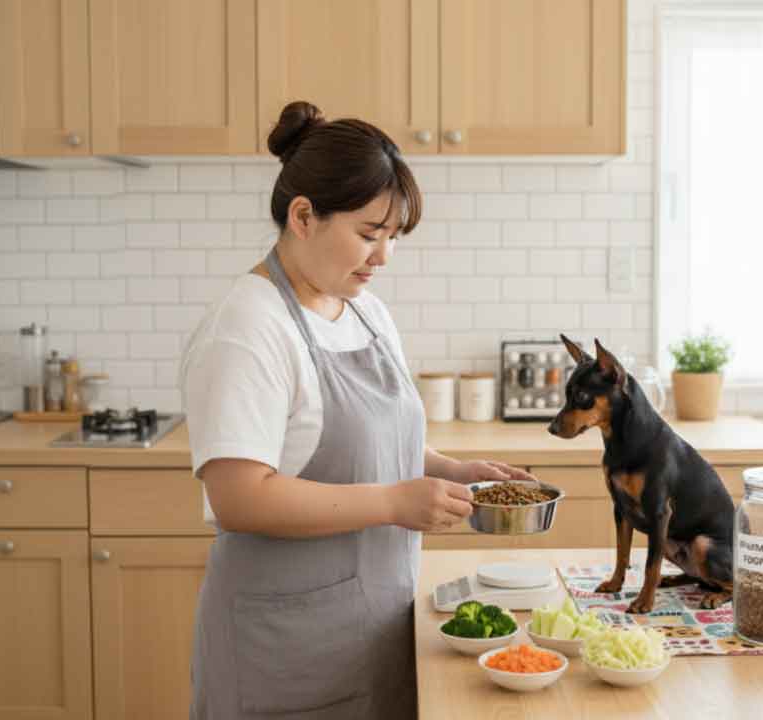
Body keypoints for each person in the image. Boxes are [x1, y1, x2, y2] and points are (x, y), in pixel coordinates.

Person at [180, 100, 536, 719]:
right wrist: (396, 502)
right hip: (284, 654)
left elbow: (366, 443)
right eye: (369, 234)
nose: (383, 256)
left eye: (392, 237)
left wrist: (451, 470)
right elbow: (239, 497)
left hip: (373, 632)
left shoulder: (366, 312)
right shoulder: (247, 328)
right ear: (303, 217)